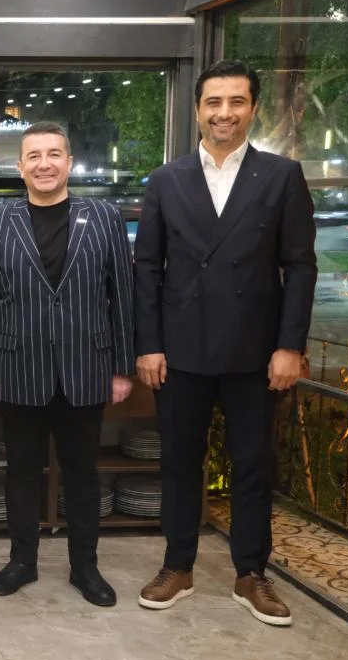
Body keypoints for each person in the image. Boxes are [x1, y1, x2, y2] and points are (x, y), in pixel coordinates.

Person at [133, 60, 316, 626]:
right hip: (180, 350)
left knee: (253, 465)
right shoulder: (166, 179)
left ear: (253, 108)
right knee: (178, 462)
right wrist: (148, 344)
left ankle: (251, 572)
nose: (224, 113)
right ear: (197, 110)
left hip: (255, 352)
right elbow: (147, 269)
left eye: (236, 101)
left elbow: (300, 266)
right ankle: (177, 565)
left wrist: (289, 346)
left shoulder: (281, 176)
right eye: (214, 102)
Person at [0, 121, 134, 607]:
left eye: (54, 154)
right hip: (19, 368)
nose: (45, 164)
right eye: (34, 156)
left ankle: (86, 568)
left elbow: (123, 296)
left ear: (69, 162)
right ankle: (22, 562)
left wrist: (122, 367)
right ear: (21, 167)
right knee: (21, 472)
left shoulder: (103, 218)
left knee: (82, 475)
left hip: (86, 368)